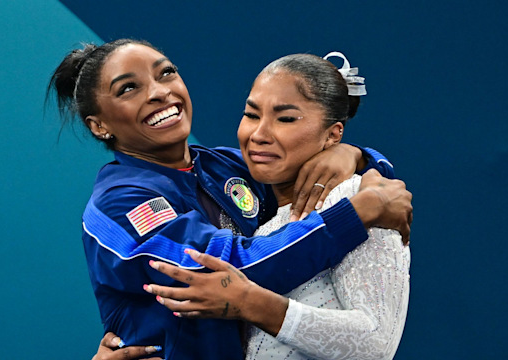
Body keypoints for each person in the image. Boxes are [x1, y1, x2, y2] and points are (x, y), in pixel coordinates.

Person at [47, 39, 412, 359]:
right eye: (128, 88)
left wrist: (356, 156)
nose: (159, 92)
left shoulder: (224, 165)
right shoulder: (119, 202)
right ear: (99, 126)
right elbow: (227, 274)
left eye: (166, 73)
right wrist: (355, 215)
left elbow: (316, 190)